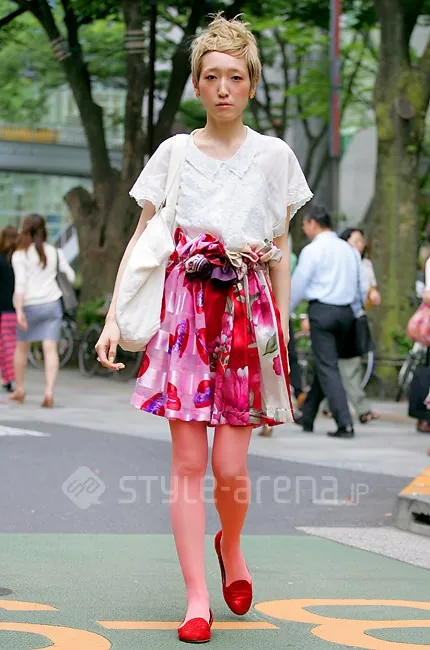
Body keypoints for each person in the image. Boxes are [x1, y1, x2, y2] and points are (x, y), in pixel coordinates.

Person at [95, 14, 312, 644]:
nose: (223, 88)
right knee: (188, 461)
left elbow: (279, 249)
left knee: (230, 468)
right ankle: (196, 598)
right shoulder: (173, 154)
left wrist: (281, 334)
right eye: (212, 76)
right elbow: (143, 241)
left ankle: (231, 545)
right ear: (196, 84)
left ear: (251, 85)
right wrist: (114, 317)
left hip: (247, 312)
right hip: (184, 315)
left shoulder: (275, 157)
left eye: (235, 77)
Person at [291, 205, 366, 439]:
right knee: (327, 363)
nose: (304, 229)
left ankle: (345, 423)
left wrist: (284, 311)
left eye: (304, 224)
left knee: (327, 366)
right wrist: (357, 311)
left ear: (313, 223)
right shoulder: (349, 250)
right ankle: (308, 414)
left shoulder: (313, 250)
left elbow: (298, 285)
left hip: (323, 311)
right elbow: (360, 285)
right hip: (346, 312)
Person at [11, 214, 75, 407]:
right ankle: (49, 392)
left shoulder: (20, 255)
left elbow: (20, 285)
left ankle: (19, 389)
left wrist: (19, 311)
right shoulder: (55, 252)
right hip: (51, 304)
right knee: (50, 349)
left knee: (22, 348)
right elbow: (70, 276)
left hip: (29, 306)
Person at [321, 227, 381, 424]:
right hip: (341, 315)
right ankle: (361, 408)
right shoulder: (337, 262)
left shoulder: (366, 264)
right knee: (346, 365)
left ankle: (327, 405)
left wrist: (372, 295)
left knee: (340, 364)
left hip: (356, 318)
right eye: (355, 241)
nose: (359, 245)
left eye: (361, 241)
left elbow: (368, 290)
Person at [0, 225, 18, 392]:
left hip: (3, 307)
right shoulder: (19, 258)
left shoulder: (1, 259)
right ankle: (9, 378)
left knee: (5, 345)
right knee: (11, 344)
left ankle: (9, 378)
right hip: (18, 308)